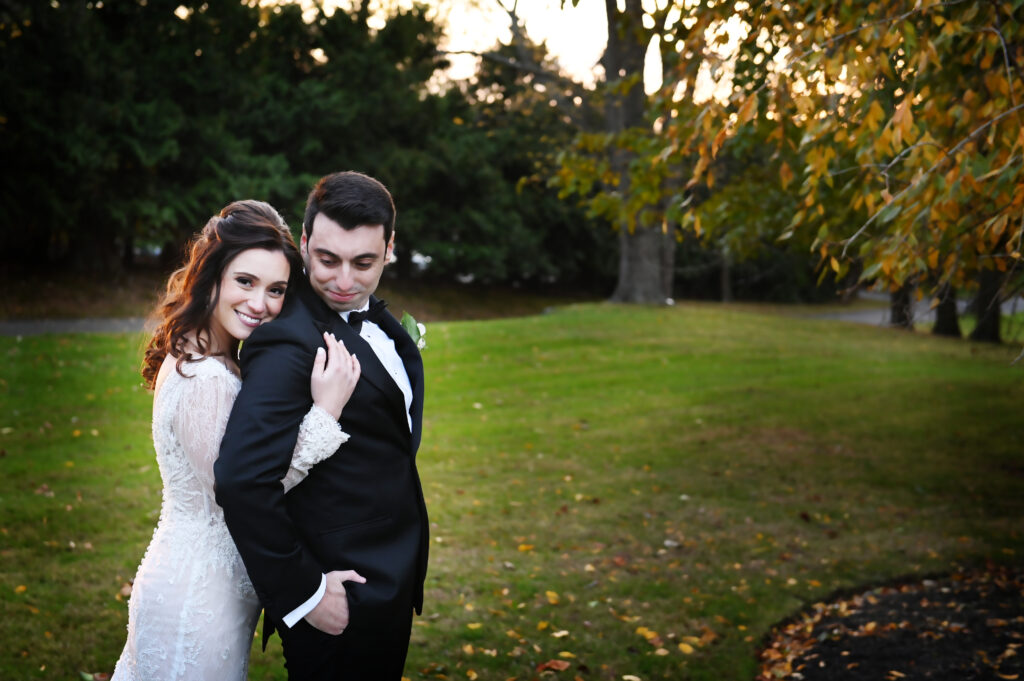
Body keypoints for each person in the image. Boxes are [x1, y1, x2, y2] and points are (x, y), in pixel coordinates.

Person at [112, 200, 362, 681]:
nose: (260, 304)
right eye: (245, 282)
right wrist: (326, 413)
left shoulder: (205, 355)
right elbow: (248, 486)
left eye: (276, 290)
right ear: (213, 278)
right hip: (198, 599)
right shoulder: (204, 377)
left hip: (205, 584)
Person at [214, 171, 429, 681]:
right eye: (328, 260)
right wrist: (303, 592)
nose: (344, 281)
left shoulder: (378, 321)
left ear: (389, 249)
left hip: (389, 580)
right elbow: (242, 480)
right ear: (305, 243)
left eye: (364, 263)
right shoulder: (289, 341)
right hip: (340, 598)